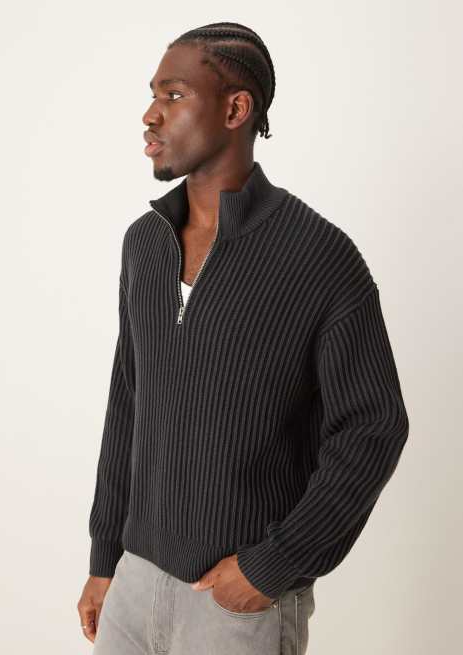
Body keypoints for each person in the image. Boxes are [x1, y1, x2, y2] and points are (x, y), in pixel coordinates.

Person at [77, 21, 409, 655]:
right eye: (153, 95)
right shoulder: (144, 245)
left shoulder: (319, 256)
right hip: (132, 583)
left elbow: (373, 427)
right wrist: (104, 559)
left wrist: (273, 565)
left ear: (236, 109)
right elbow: (128, 403)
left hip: (233, 604)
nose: (150, 114)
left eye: (174, 95)